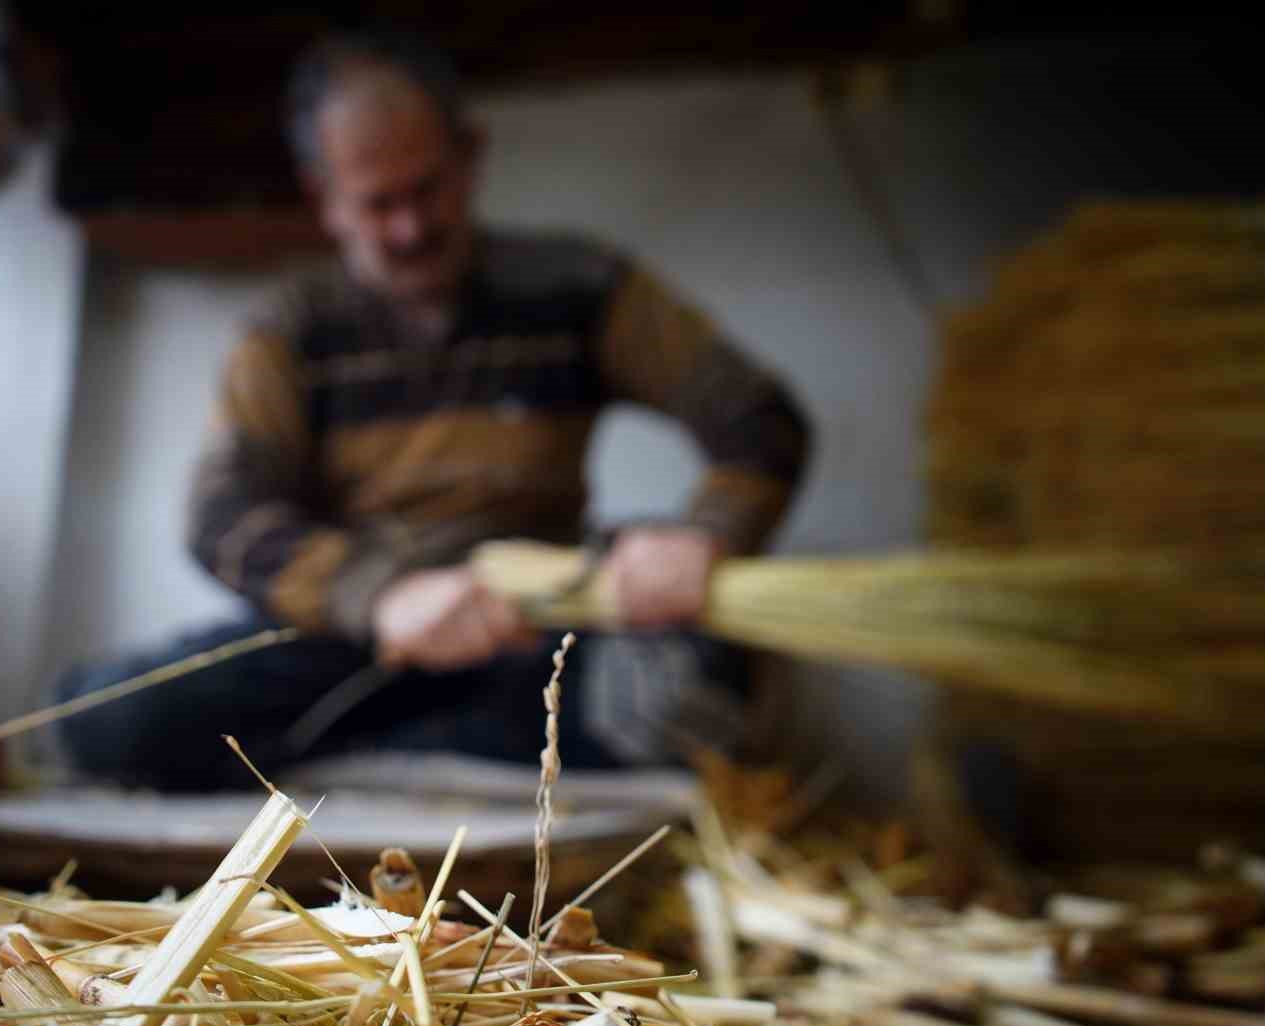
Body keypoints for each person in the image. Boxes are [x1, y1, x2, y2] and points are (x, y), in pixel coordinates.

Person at [56, 30, 810, 791]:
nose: (411, 228)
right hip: (353, 640)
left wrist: (703, 536)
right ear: (325, 199)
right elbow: (223, 516)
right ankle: (429, 752)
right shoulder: (292, 330)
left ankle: (378, 758)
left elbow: (762, 420)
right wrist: (382, 593)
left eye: (427, 189)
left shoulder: (579, 285)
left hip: (539, 637)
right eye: (378, 204)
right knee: (107, 722)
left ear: (469, 156)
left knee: (687, 691)